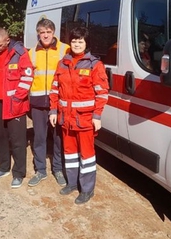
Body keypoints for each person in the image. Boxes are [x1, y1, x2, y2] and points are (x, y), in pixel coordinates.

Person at [49, 26, 109, 204]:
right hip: (65, 119)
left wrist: (97, 116)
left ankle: (87, 189)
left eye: (80, 41)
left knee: (87, 156)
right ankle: (72, 183)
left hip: (84, 120)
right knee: (70, 153)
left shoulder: (94, 65)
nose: (76, 44)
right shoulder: (63, 63)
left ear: (86, 43)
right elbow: (54, 90)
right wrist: (53, 111)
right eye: (74, 41)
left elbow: (102, 93)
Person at [0, 27, 34, 189]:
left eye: (0, 45)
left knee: (18, 141)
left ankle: (19, 173)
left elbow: (27, 77)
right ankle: (3, 167)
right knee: (1, 138)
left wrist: (16, 98)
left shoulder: (19, 53)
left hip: (16, 105)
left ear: (7, 40)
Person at [27, 18, 70, 187]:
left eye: (48, 32)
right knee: (39, 137)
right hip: (37, 103)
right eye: (42, 32)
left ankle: (58, 169)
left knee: (58, 138)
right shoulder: (31, 52)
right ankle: (40, 170)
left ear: (54, 33)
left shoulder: (65, 49)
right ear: (38, 33)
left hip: (58, 102)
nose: (45, 35)